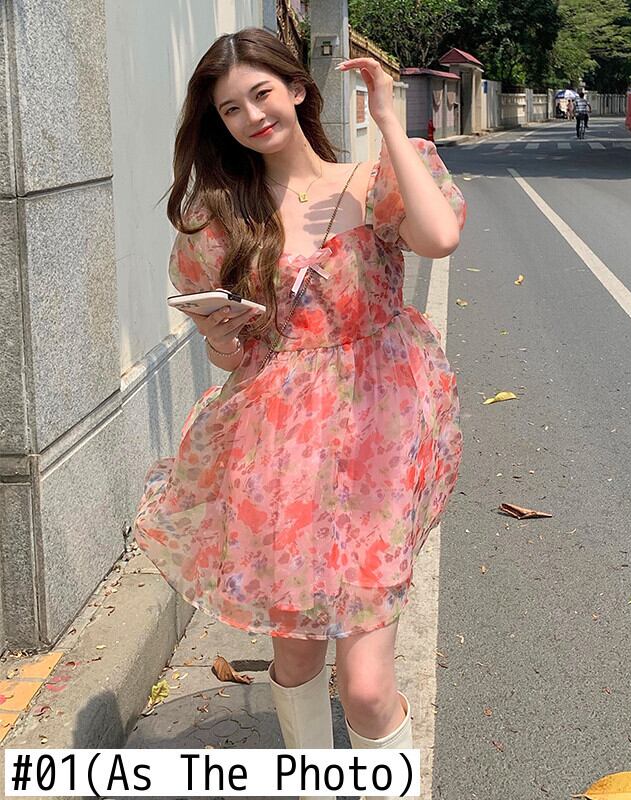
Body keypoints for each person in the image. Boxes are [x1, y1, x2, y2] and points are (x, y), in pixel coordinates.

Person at [133, 27, 466, 800]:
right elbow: (233, 357)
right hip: (279, 450)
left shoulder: (372, 181)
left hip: (381, 440)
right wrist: (221, 336)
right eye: (231, 109)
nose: (252, 116)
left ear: (297, 89)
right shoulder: (224, 218)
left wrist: (388, 120)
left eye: (261, 94)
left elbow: (440, 235)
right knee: (296, 657)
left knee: (367, 686)